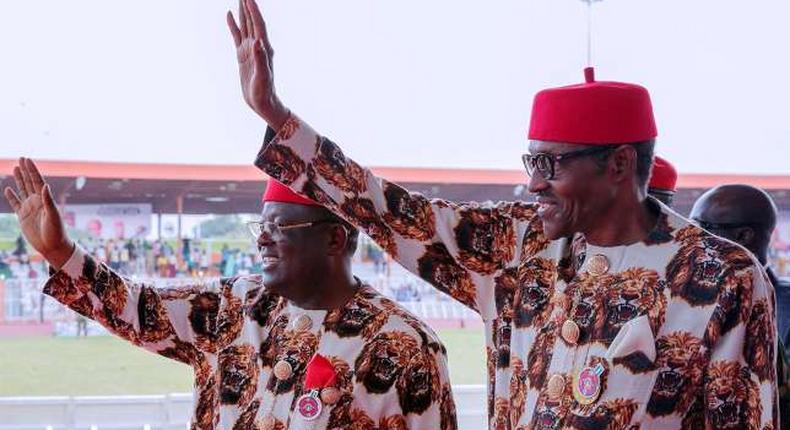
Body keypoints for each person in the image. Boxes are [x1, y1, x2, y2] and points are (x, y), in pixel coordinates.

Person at [228, 0, 778, 427]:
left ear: (618, 163)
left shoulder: (722, 277)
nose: (533, 182)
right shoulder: (517, 245)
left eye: (551, 164)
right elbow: (391, 211)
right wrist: (278, 117)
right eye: (530, 161)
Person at [4, 159, 457, 430]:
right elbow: (138, 309)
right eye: (262, 226)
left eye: (279, 227)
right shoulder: (234, 307)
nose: (262, 239)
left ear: (335, 240)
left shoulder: (406, 347)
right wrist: (62, 252)